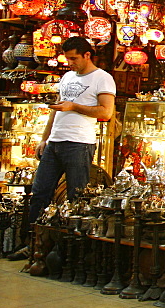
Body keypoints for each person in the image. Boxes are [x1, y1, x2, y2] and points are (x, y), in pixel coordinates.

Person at [29, 37, 115, 224]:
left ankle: (71, 247)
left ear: (87, 55)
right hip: (55, 142)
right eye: (67, 59)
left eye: (74, 59)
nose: (70, 63)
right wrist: (45, 139)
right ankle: (33, 241)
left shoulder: (103, 78)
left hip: (79, 143)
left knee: (76, 196)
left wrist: (74, 106)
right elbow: (56, 110)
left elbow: (106, 112)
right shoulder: (67, 77)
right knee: (39, 192)